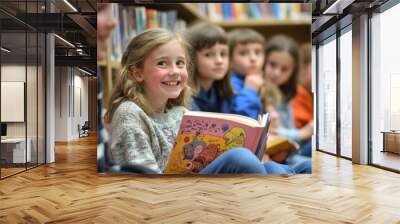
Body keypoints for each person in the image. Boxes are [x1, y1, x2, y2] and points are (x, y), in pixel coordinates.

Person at [104, 28, 291, 174]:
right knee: (239, 159)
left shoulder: (179, 113)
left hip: (193, 183)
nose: (175, 71)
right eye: (162, 63)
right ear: (137, 73)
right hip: (165, 196)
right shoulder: (129, 113)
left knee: (274, 168)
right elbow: (144, 178)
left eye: (180, 63)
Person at [185, 22, 293, 174]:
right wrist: (249, 90)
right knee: (249, 161)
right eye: (209, 54)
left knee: (280, 168)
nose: (219, 60)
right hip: (203, 165)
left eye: (223, 54)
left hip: (238, 155)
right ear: (191, 59)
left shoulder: (223, 91)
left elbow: (242, 131)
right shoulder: (187, 96)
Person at [262, 35, 312, 173]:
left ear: (292, 72)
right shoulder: (259, 90)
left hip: (287, 154)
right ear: (264, 61)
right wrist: (304, 132)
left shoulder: (286, 93)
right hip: (272, 158)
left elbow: (286, 134)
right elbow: (271, 134)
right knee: (311, 165)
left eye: (284, 69)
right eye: (272, 65)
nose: (277, 73)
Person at [227, 28, 265, 119]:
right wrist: (250, 90)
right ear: (230, 60)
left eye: (257, 52)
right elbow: (241, 121)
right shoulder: (229, 84)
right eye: (243, 53)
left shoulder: (259, 79)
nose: (253, 58)